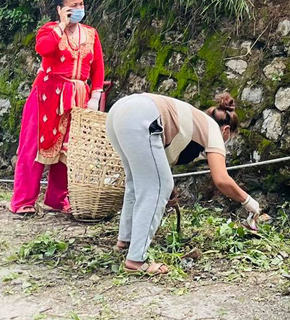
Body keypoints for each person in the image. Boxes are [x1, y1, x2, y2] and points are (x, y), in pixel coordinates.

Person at [105, 91, 258, 275]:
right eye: (229, 138)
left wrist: (167, 188)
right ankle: (136, 260)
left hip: (119, 111)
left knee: (136, 183)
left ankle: (125, 241)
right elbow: (222, 179)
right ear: (226, 130)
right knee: (156, 187)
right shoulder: (213, 131)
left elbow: (154, 166)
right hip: (142, 114)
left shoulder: (196, 121)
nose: (225, 141)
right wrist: (249, 202)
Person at [10, 0, 106, 215]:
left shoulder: (91, 34)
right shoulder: (49, 30)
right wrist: (62, 26)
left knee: (68, 150)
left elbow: (98, 67)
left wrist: (96, 94)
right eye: (74, 6)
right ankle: (23, 201)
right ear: (60, 9)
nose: (80, 8)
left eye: (81, 4)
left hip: (78, 96)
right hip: (47, 95)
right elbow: (44, 49)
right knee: (33, 147)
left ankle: (57, 198)